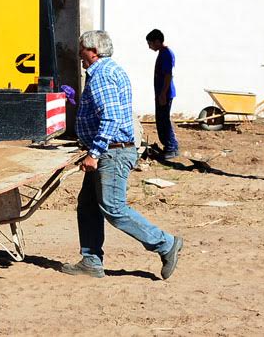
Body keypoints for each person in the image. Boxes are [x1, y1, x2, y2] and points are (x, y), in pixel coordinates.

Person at [62, 29, 182, 280]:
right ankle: (91, 261)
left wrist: (94, 152)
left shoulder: (102, 75)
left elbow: (112, 117)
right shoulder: (106, 71)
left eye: (82, 49)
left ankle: (166, 244)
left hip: (112, 152)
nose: (79, 54)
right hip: (108, 150)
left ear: (93, 52)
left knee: (114, 208)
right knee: (87, 206)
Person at [146, 28, 179, 158]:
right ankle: (168, 146)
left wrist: (163, 94)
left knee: (164, 120)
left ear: (158, 41)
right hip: (161, 93)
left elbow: (168, 75)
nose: (149, 47)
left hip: (165, 94)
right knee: (161, 120)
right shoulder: (162, 53)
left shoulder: (166, 54)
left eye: (150, 43)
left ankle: (171, 147)